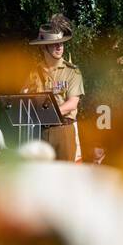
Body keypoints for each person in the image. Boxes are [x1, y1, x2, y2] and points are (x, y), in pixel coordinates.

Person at [25, 21, 84, 161]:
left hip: (64, 129)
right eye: (54, 43)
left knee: (65, 176)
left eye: (61, 43)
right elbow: (24, 97)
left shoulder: (72, 71)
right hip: (42, 130)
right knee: (44, 176)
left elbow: (72, 104)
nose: (59, 47)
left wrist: (48, 112)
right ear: (43, 47)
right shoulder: (34, 72)